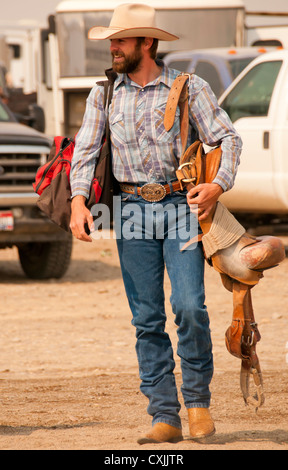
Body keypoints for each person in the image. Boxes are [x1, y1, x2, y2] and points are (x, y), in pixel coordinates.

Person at [70, 3, 242, 444]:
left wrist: (217, 186)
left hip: (182, 208)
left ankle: (198, 404)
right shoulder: (103, 94)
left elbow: (227, 137)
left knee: (188, 307)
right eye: (111, 40)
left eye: (120, 40)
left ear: (147, 43)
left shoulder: (189, 88)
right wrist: (78, 201)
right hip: (128, 211)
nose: (112, 47)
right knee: (147, 318)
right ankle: (164, 415)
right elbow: (85, 152)